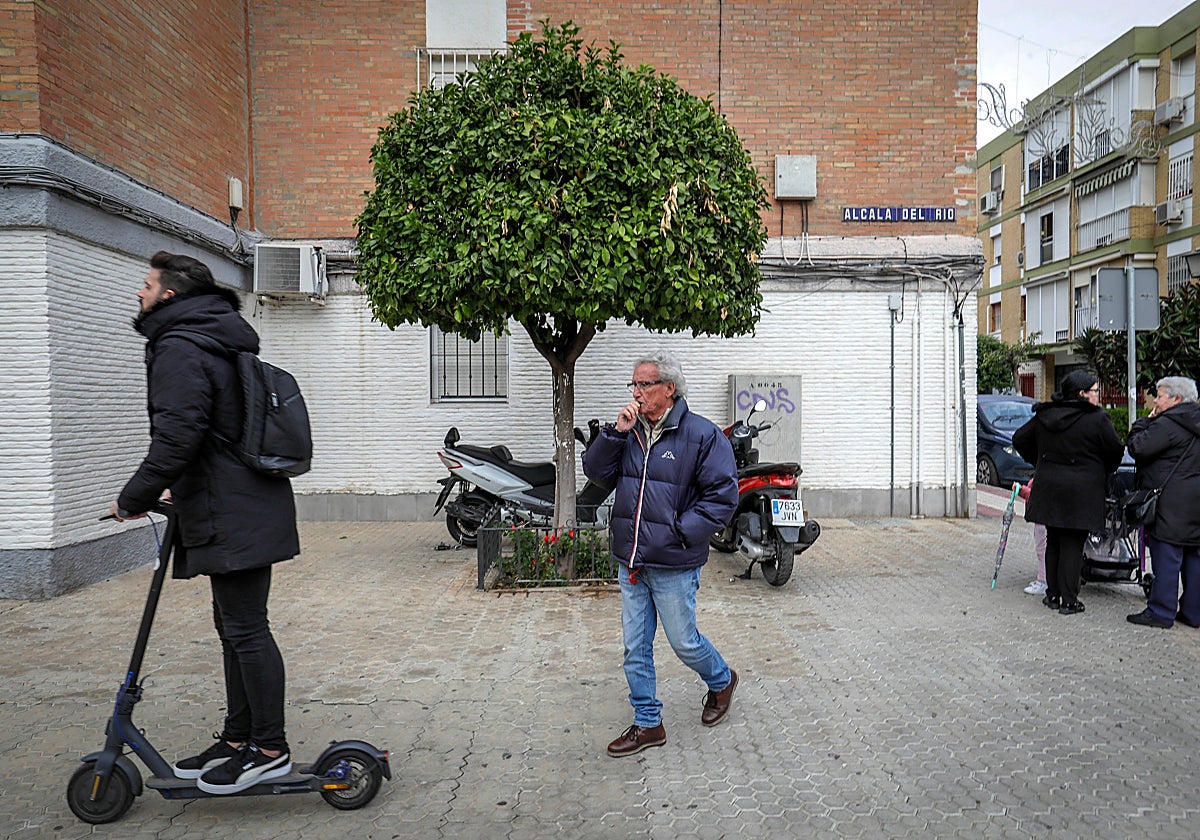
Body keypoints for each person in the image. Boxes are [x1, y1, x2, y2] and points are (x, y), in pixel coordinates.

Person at [110, 251, 300, 794]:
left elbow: (178, 435)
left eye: (146, 285)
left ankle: (269, 749)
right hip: (236, 503)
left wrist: (134, 496)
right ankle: (240, 739)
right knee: (234, 629)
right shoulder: (212, 339)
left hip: (232, 510)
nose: (139, 292)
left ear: (170, 294)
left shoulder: (180, 346)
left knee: (246, 629)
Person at [583, 350, 739, 757]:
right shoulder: (630, 432)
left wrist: (679, 532)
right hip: (631, 561)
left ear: (669, 389)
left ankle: (721, 680)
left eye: (643, 384)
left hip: (673, 563)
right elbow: (596, 474)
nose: (636, 392)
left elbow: (722, 499)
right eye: (633, 384)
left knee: (684, 643)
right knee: (636, 647)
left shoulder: (703, 436)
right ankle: (648, 723)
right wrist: (615, 433)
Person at [1012, 370, 1124, 616]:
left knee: (1054, 538)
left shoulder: (1046, 415)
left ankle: (1052, 595)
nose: (1098, 396)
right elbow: (1115, 451)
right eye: (1095, 391)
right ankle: (1069, 601)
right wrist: (1100, 469)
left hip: (1050, 486)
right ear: (1082, 394)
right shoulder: (1097, 419)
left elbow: (1020, 439)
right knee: (1073, 542)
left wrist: (1042, 462)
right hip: (1081, 490)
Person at [1125, 377, 1200, 629]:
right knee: (1194, 557)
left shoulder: (1167, 424)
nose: (1155, 400)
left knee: (1167, 555)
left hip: (1171, 503)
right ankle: (1193, 612)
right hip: (1196, 502)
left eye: (1159, 395)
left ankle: (1161, 611)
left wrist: (1143, 422)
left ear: (1176, 399)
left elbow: (1138, 447)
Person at [1018, 479, 1048, 596]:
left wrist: (1021, 490)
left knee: (1042, 550)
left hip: (1043, 517)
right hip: (1043, 517)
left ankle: (1043, 581)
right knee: (1043, 550)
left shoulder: (1046, 474)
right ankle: (1044, 579)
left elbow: (1036, 495)